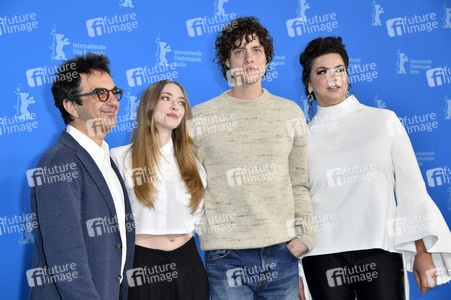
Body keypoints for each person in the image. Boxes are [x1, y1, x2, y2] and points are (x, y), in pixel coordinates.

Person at [298, 36, 451, 300]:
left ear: (347, 75)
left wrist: (422, 253)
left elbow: (411, 189)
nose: (333, 78)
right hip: (322, 256)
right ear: (309, 84)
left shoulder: (383, 121)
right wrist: (297, 273)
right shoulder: (301, 139)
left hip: (380, 250)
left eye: (340, 70)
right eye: (322, 72)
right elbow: (297, 204)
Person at [192, 16, 316, 299]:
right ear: (227, 62)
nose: (248, 58)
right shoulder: (200, 117)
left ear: (266, 58)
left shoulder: (290, 113)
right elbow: (188, 184)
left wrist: (307, 235)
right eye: (238, 51)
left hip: (282, 253)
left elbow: (299, 181)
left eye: (256, 50)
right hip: (226, 257)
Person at [29, 53, 135, 299]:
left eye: (113, 92)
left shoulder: (106, 159)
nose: (113, 101)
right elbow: (65, 257)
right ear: (71, 106)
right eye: (100, 94)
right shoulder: (58, 162)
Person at [110, 80, 209, 299]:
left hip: (188, 264)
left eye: (181, 102)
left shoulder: (194, 165)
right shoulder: (118, 159)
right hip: (142, 266)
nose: (176, 107)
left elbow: (199, 216)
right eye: (166, 98)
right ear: (148, 106)